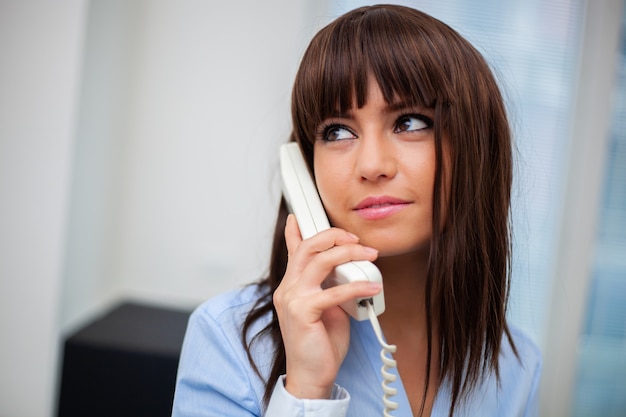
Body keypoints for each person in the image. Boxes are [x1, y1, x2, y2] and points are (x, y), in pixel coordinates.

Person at [171, 4, 542, 417]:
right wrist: (307, 390)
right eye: (338, 131)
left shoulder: (516, 365)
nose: (371, 166)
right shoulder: (229, 339)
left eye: (410, 123)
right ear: (303, 168)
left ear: (476, 150)